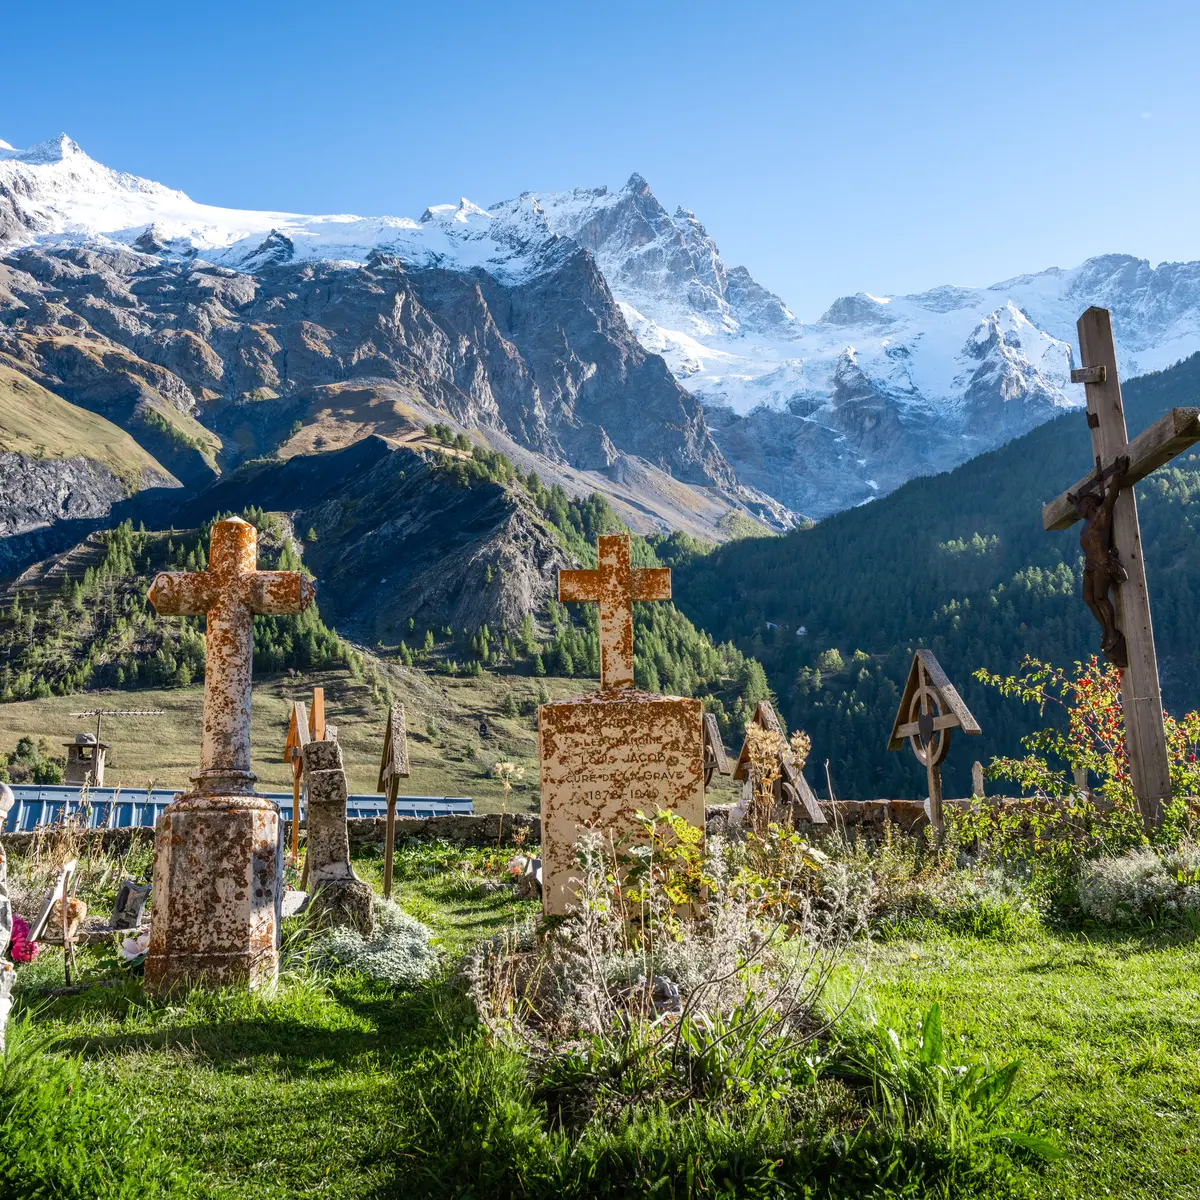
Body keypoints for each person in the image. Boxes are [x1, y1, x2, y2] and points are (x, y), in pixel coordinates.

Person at [1071, 454, 1130, 667]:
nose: (1080, 510)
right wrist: (1076, 502)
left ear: (1090, 504)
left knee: (1100, 598)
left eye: (1083, 505)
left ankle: (1111, 632)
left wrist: (1117, 474)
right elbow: (1078, 510)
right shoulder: (1087, 523)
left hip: (1102, 563)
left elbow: (1112, 495)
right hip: (1089, 565)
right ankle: (1107, 631)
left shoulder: (1102, 516)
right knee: (1088, 599)